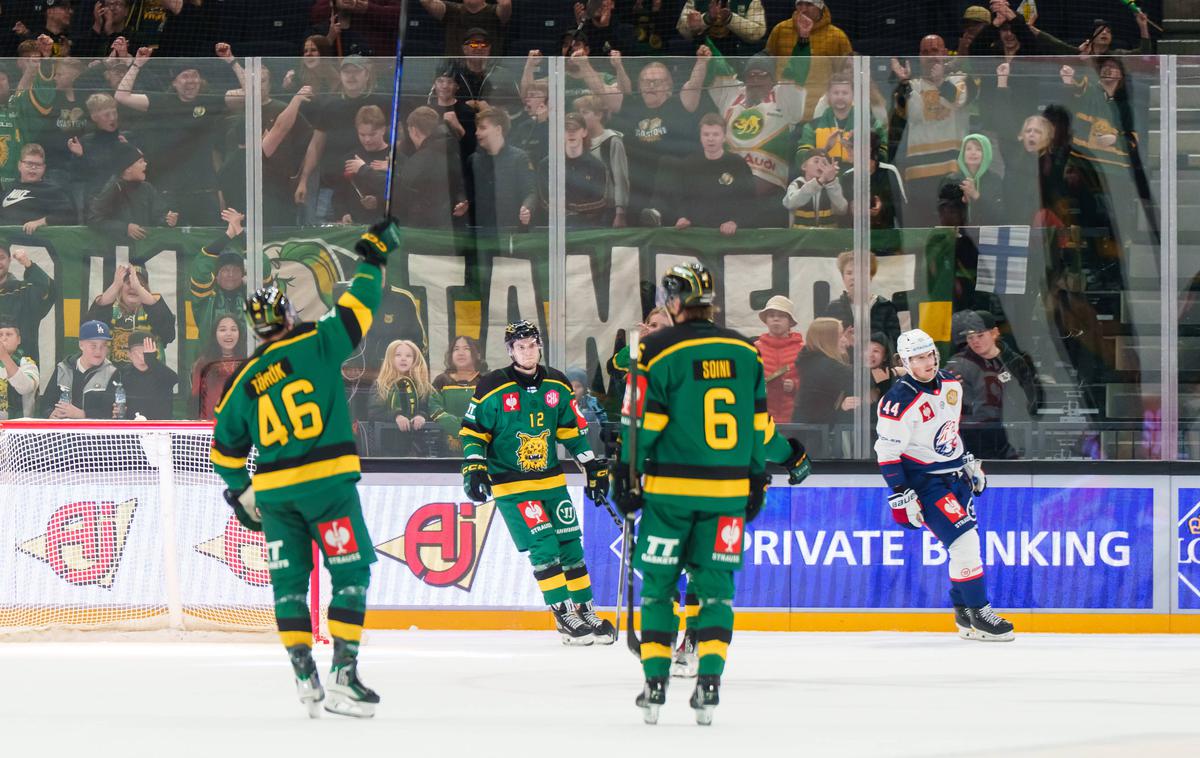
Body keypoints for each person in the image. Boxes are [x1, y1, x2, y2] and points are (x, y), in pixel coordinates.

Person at [210, 218, 403, 718]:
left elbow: (224, 452)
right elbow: (360, 305)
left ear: (255, 328)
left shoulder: (244, 379)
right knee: (351, 573)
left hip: (275, 497)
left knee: (289, 587)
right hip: (327, 488)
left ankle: (304, 676)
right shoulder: (317, 342)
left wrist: (241, 492)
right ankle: (344, 675)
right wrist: (372, 258)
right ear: (289, 313)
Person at [612, 262, 810, 724]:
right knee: (716, 592)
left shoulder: (656, 349)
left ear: (673, 301)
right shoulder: (745, 350)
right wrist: (758, 477)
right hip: (726, 494)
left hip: (670, 495)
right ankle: (710, 683)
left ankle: (655, 683)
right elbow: (758, 426)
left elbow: (641, 425)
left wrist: (626, 475)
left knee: (659, 589)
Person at [459, 320, 615, 645]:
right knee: (545, 546)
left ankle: (585, 610)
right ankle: (563, 613)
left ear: (539, 346)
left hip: (551, 482)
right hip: (513, 485)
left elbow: (571, 432)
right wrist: (474, 466)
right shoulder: (492, 385)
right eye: (520, 346)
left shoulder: (557, 383)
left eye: (532, 345)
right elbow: (473, 431)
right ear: (510, 350)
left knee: (570, 545)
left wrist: (591, 465)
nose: (527, 352)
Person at [875, 328, 1014, 642]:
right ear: (905, 362)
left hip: (955, 477)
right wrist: (901, 491)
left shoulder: (951, 383)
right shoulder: (897, 401)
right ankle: (980, 612)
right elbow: (887, 453)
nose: (928, 362)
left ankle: (964, 613)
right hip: (925, 483)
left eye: (930, 355)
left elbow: (949, 429)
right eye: (918, 358)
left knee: (963, 546)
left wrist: (965, 461)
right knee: (965, 543)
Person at [946, 310, 1043, 460]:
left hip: (1011, 436)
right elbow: (947, 405)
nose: (975, 341)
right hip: (973, 439)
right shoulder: (958, 365)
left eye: (980, 335)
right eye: (970, 337)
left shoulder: (1014, 362)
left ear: (994, 333)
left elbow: (1030, 399)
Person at [647, 112, 753, 235]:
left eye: (715, 134)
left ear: (724, 137)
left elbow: (750, 201)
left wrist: (735, 222)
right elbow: (680, 198)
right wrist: (683, 217)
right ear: (700, 137)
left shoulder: (737, 164)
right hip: (696, 231)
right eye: (706, 134)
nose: (710, 139)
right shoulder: (689, 164)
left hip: (728, 233)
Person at [763, 0, 853, 121]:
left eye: (809, 5)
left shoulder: (837, 36)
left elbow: (845, 76)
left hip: (820, 114)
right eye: (799, 4)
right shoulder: (780, 30)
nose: (803, 9)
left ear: (820, 7)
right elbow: (767, 66)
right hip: (783, 112)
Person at [368, 339, 453, 457]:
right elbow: (374, 413)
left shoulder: (424, 386)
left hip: (420, 450)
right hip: (388, 450)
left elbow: (434, 410)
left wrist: (422, 416)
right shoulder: (380, 385)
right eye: (398, 355)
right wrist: (396, 416)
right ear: (390, 359)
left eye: (408, 356)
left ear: (414, 360)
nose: (403, 358)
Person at [86, 262, 176, 365]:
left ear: (146, 289)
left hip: (150, 373)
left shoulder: (156, 310)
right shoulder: (109, 311)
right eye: (128, 283)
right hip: (114, 373)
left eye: (138, 284)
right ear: (121, 287)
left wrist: (139, 289)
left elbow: (169, 334)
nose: (133, 287)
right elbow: (90, 330)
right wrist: (115, 286)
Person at [792, 316, 857, 458]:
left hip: (812, 435)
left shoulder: (813, 361)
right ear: (828, 340)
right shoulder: (824, 366)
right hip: (814, 441)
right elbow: (859, 377)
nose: (845, 340)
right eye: (840, 336)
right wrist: (893, 372)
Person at [87, 143, 179, 242]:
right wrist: (125, 228)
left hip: (143, 246)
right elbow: (94, 220)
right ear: (128, 169)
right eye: (140, 162)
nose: (145, 164)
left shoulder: (147, 188)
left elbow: (157, 215)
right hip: (118, 247)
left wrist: (167, 220)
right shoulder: (113, 188)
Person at [397, 105, 468, 229]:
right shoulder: (454, 152)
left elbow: (402, 192)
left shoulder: (419, 160)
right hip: (451, 225)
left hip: (424, 227)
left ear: (414, 130)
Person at [188, 209, 247, 353]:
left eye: (236, 270)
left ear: (243, 274)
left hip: (247, 360)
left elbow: (263, 266)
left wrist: (240, 230)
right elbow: (201, 266)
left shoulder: (251, 295)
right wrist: (229, 235)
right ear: (216, 275)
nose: (231, 274)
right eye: (225, 269)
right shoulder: (205, 298)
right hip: (211, 361)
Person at [467, 108, 536, 231]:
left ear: (498, 129)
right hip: (481, 230)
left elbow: (530, 192)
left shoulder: (519, 158)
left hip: (512, 229)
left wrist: (527, 208)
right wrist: (463, 202)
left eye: (482, 128)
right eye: (477, 128)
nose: (477, 133)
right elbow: (465, 192)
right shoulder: (473, 160)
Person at [41, 319, 123, 419]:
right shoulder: (63, 368)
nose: (98, 351)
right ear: (81, 345)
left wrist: (82, 414)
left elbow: (111, 413)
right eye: (93, 346)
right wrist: (50, 414)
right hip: (63, 427)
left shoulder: (112, 372)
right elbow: (45, 404)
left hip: (92, 429)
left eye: (104, 345)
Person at [817, 251, 901, 348]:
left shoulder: (886, 307)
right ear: (843, 277)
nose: (854, 277)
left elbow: (894, 345)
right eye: (849, 273)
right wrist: (843, 342)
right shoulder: (833, 308)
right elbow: (825, 345)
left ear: (871, 276)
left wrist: (870, 342)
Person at [0, 244, 55, 364]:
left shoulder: (24, 291)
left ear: (9, 260)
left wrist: (28, 264)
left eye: (1, 257)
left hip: (22, 368)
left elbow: (51, 290)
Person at [755, 295, 803, 424]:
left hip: (794, 420)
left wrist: (795, 385)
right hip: (763, 419)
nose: (776, 319)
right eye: (771, 315)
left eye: (781, 316)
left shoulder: (803, 350)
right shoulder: (754, 349)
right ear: (766, 320)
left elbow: (812, 383)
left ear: (790, 322)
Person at [192, 315, 245, 420]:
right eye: (223, 330)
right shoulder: (204, 364)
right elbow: (196, 397)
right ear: (215, 334)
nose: (228, 334)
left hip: (238, 423)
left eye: (233, 329)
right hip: (211, 423)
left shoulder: (247, 363)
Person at [118, 330, 178, 419]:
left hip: (159, 426)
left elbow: (173, 379)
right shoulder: (122, 374)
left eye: (145, 353)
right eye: (136, 353)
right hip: (131, 425)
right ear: (129, 354)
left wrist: (151, 361)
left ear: (153, 353)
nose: (141, 357)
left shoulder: (161, 373)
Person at [419, 0, 512, 56]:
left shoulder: (495, 12)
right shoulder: (451, 10)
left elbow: (505, 3)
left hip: (488, 72)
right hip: (454, 73)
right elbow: (425, 1)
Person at [0, 320, 40, 419]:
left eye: (9, 334)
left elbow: (25, 388)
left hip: (21, 425)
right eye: (0, 335)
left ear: (18, 340)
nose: (4, 338)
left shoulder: (27, 363)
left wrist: (4, 356)